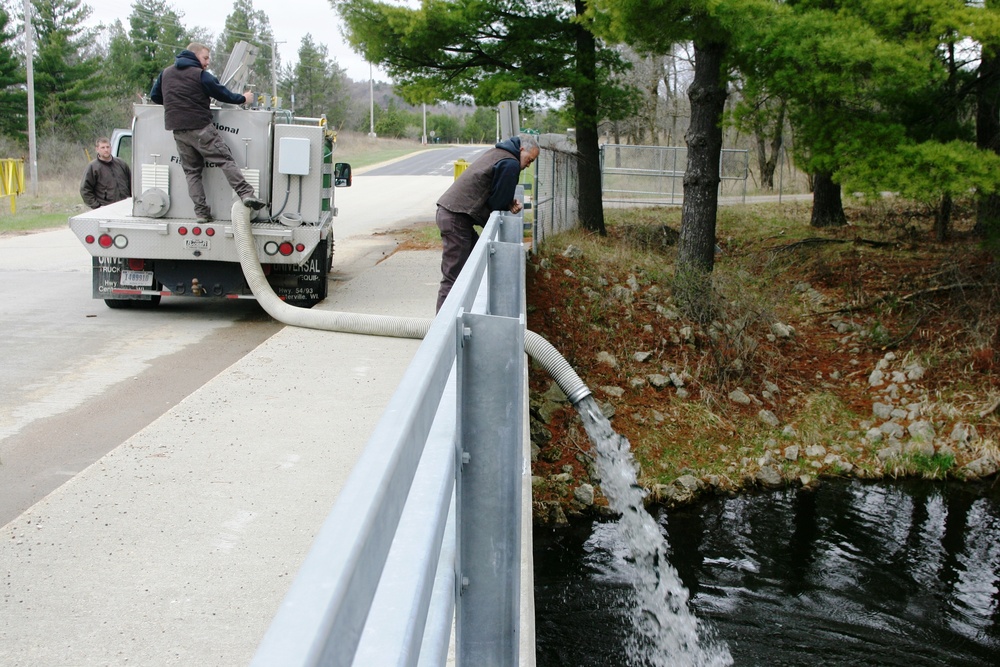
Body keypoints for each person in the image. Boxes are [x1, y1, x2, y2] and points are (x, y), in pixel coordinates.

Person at [149, 42, 265, 222]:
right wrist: (244, 98)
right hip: (201, 128)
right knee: (225, 160)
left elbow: (155, 96)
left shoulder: (166, 73)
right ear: (194, 55)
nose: (207, 62)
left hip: (178, 130)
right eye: (205, 58)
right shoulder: (200, 75)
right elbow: (223, 94)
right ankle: (246, 193)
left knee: (192, 172)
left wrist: (176, 104)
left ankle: (202, 213)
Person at [435, 134, 540, 311]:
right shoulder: (510, 163)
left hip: (454, 213)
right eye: (529, 160)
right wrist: (506, 203)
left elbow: (495, 194)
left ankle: (464, 314)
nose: (528, 165)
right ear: (522, 150)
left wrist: (507, 202)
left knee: (478, 259)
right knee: (453, 276)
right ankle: (442, 330)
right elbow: (497, 202)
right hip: (455, 217)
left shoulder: (499, 152)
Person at [80, 137, 131, 209]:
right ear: (97, 149)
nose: (106, 150)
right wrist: (97, 206)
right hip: (105, 208)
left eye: (107, 147)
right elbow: (85, 190)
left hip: (125, 206)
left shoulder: (121, 164)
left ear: (111, 147)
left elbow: (132, 184)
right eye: (103, 147)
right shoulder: (93, 167)